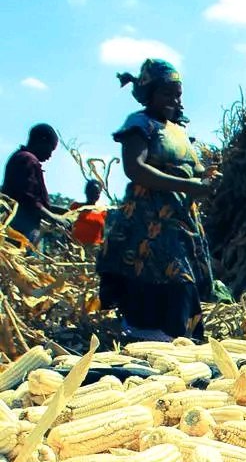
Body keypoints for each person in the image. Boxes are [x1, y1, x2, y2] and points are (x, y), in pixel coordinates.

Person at [97, 59, 216, 341]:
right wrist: (187, 184)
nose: (174, 100)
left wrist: (208, 177)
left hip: (179, 221)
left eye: (178, 94)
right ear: (149, 93)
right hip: (148, 221)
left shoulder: (178, 130)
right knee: (165, 280)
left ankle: (180, 345)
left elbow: (194, 168)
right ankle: (150, 341)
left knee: (183, 282)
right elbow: (135, 168)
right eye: (167, 93)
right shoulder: (140, 125)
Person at [1, 124, 69, 243]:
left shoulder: (19, 157)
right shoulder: (28, 160)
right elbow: (28, 199)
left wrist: (56, 211)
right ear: (41, 141)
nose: (50, 155)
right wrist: (53, 217)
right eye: (50, 149)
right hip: (20, 225)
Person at [70, 179, 108, 248]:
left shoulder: (102, 211)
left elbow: (102, 234)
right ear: (86, 192)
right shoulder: (76, 207)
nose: (94, 194)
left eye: (97, 192)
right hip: (76, 248)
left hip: (94, 250)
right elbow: (68, 226)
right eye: (91, 191)